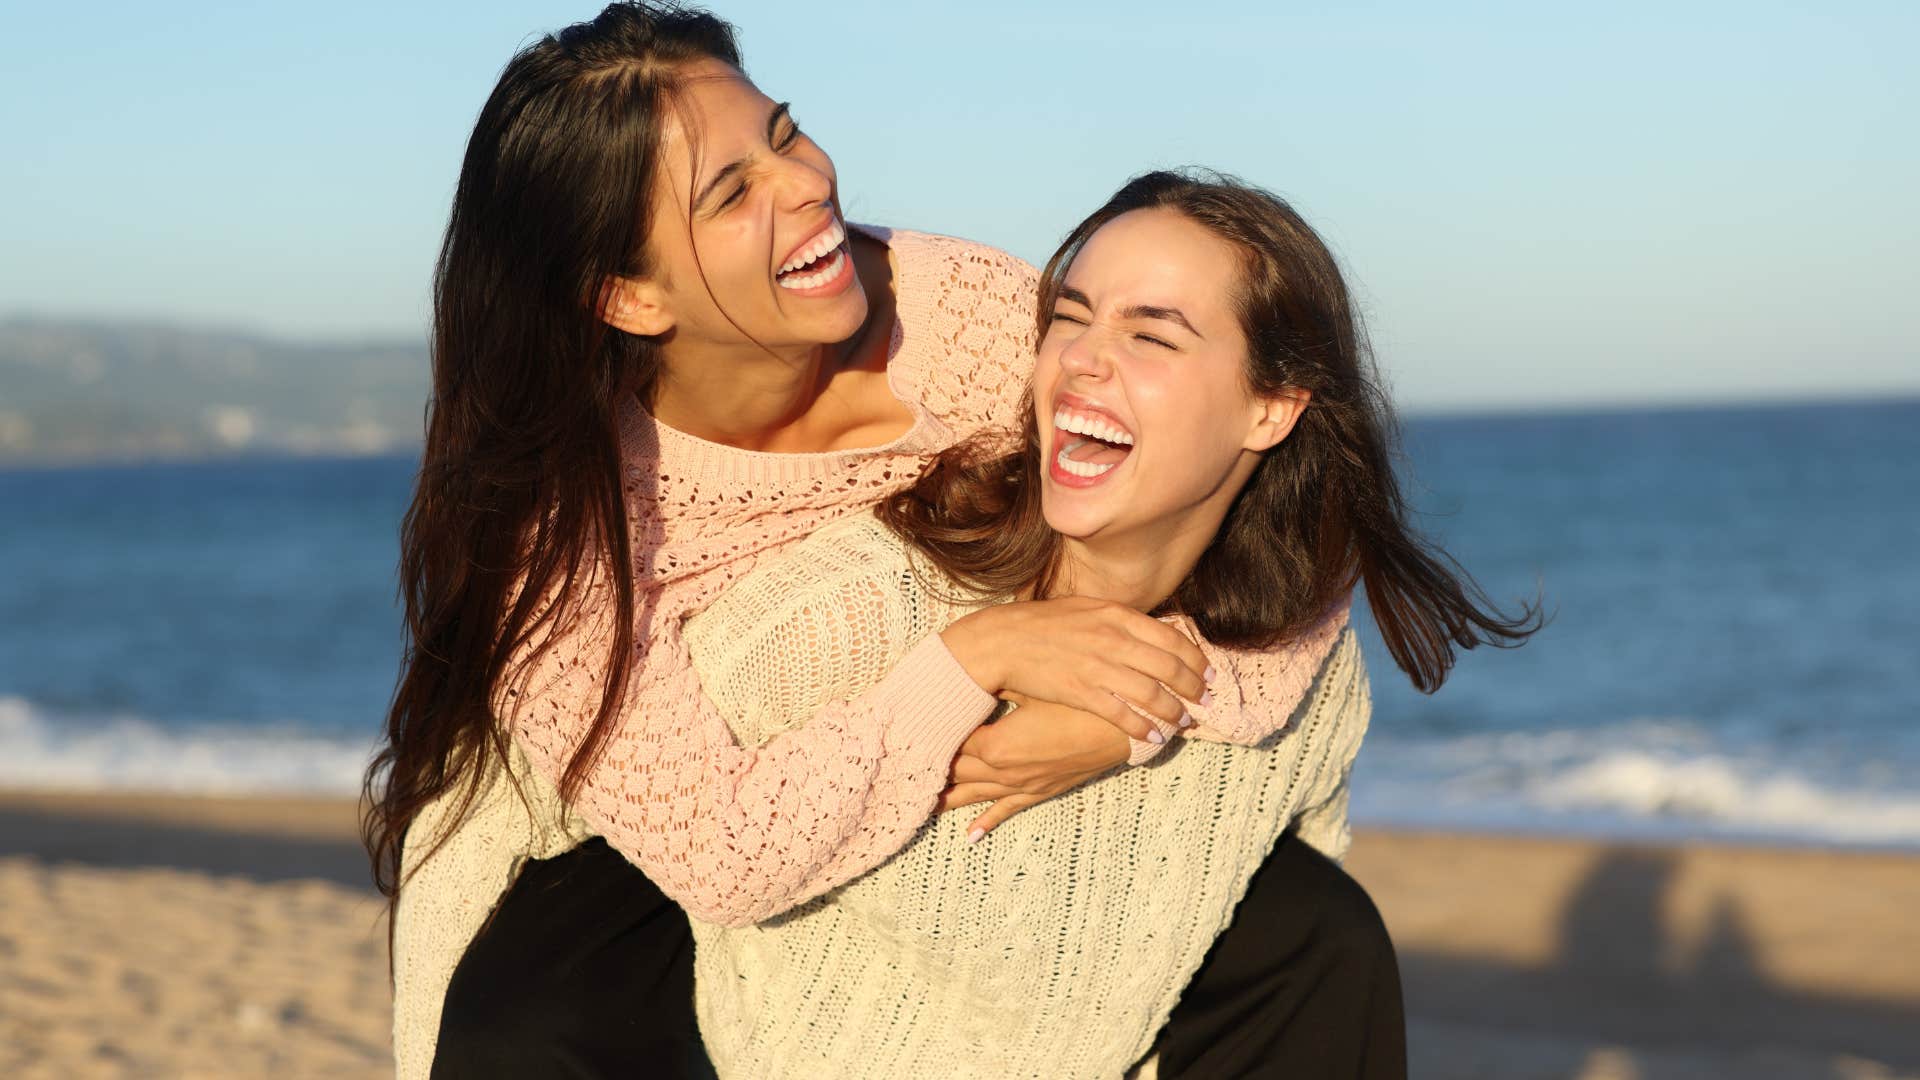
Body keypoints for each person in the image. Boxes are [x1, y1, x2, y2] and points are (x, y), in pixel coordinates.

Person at [366, 5, 1533, 1076]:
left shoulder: (962, 311)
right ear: (628, 296)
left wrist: (1116, 720)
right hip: (630, 856)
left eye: (785, 131)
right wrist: (982, 662)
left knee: (1317, 941)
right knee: (535, 1024)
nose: (807, 184)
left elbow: (1250, 509)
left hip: (922, 782)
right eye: (731, 193)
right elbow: (720, 846)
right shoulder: (563, 526)